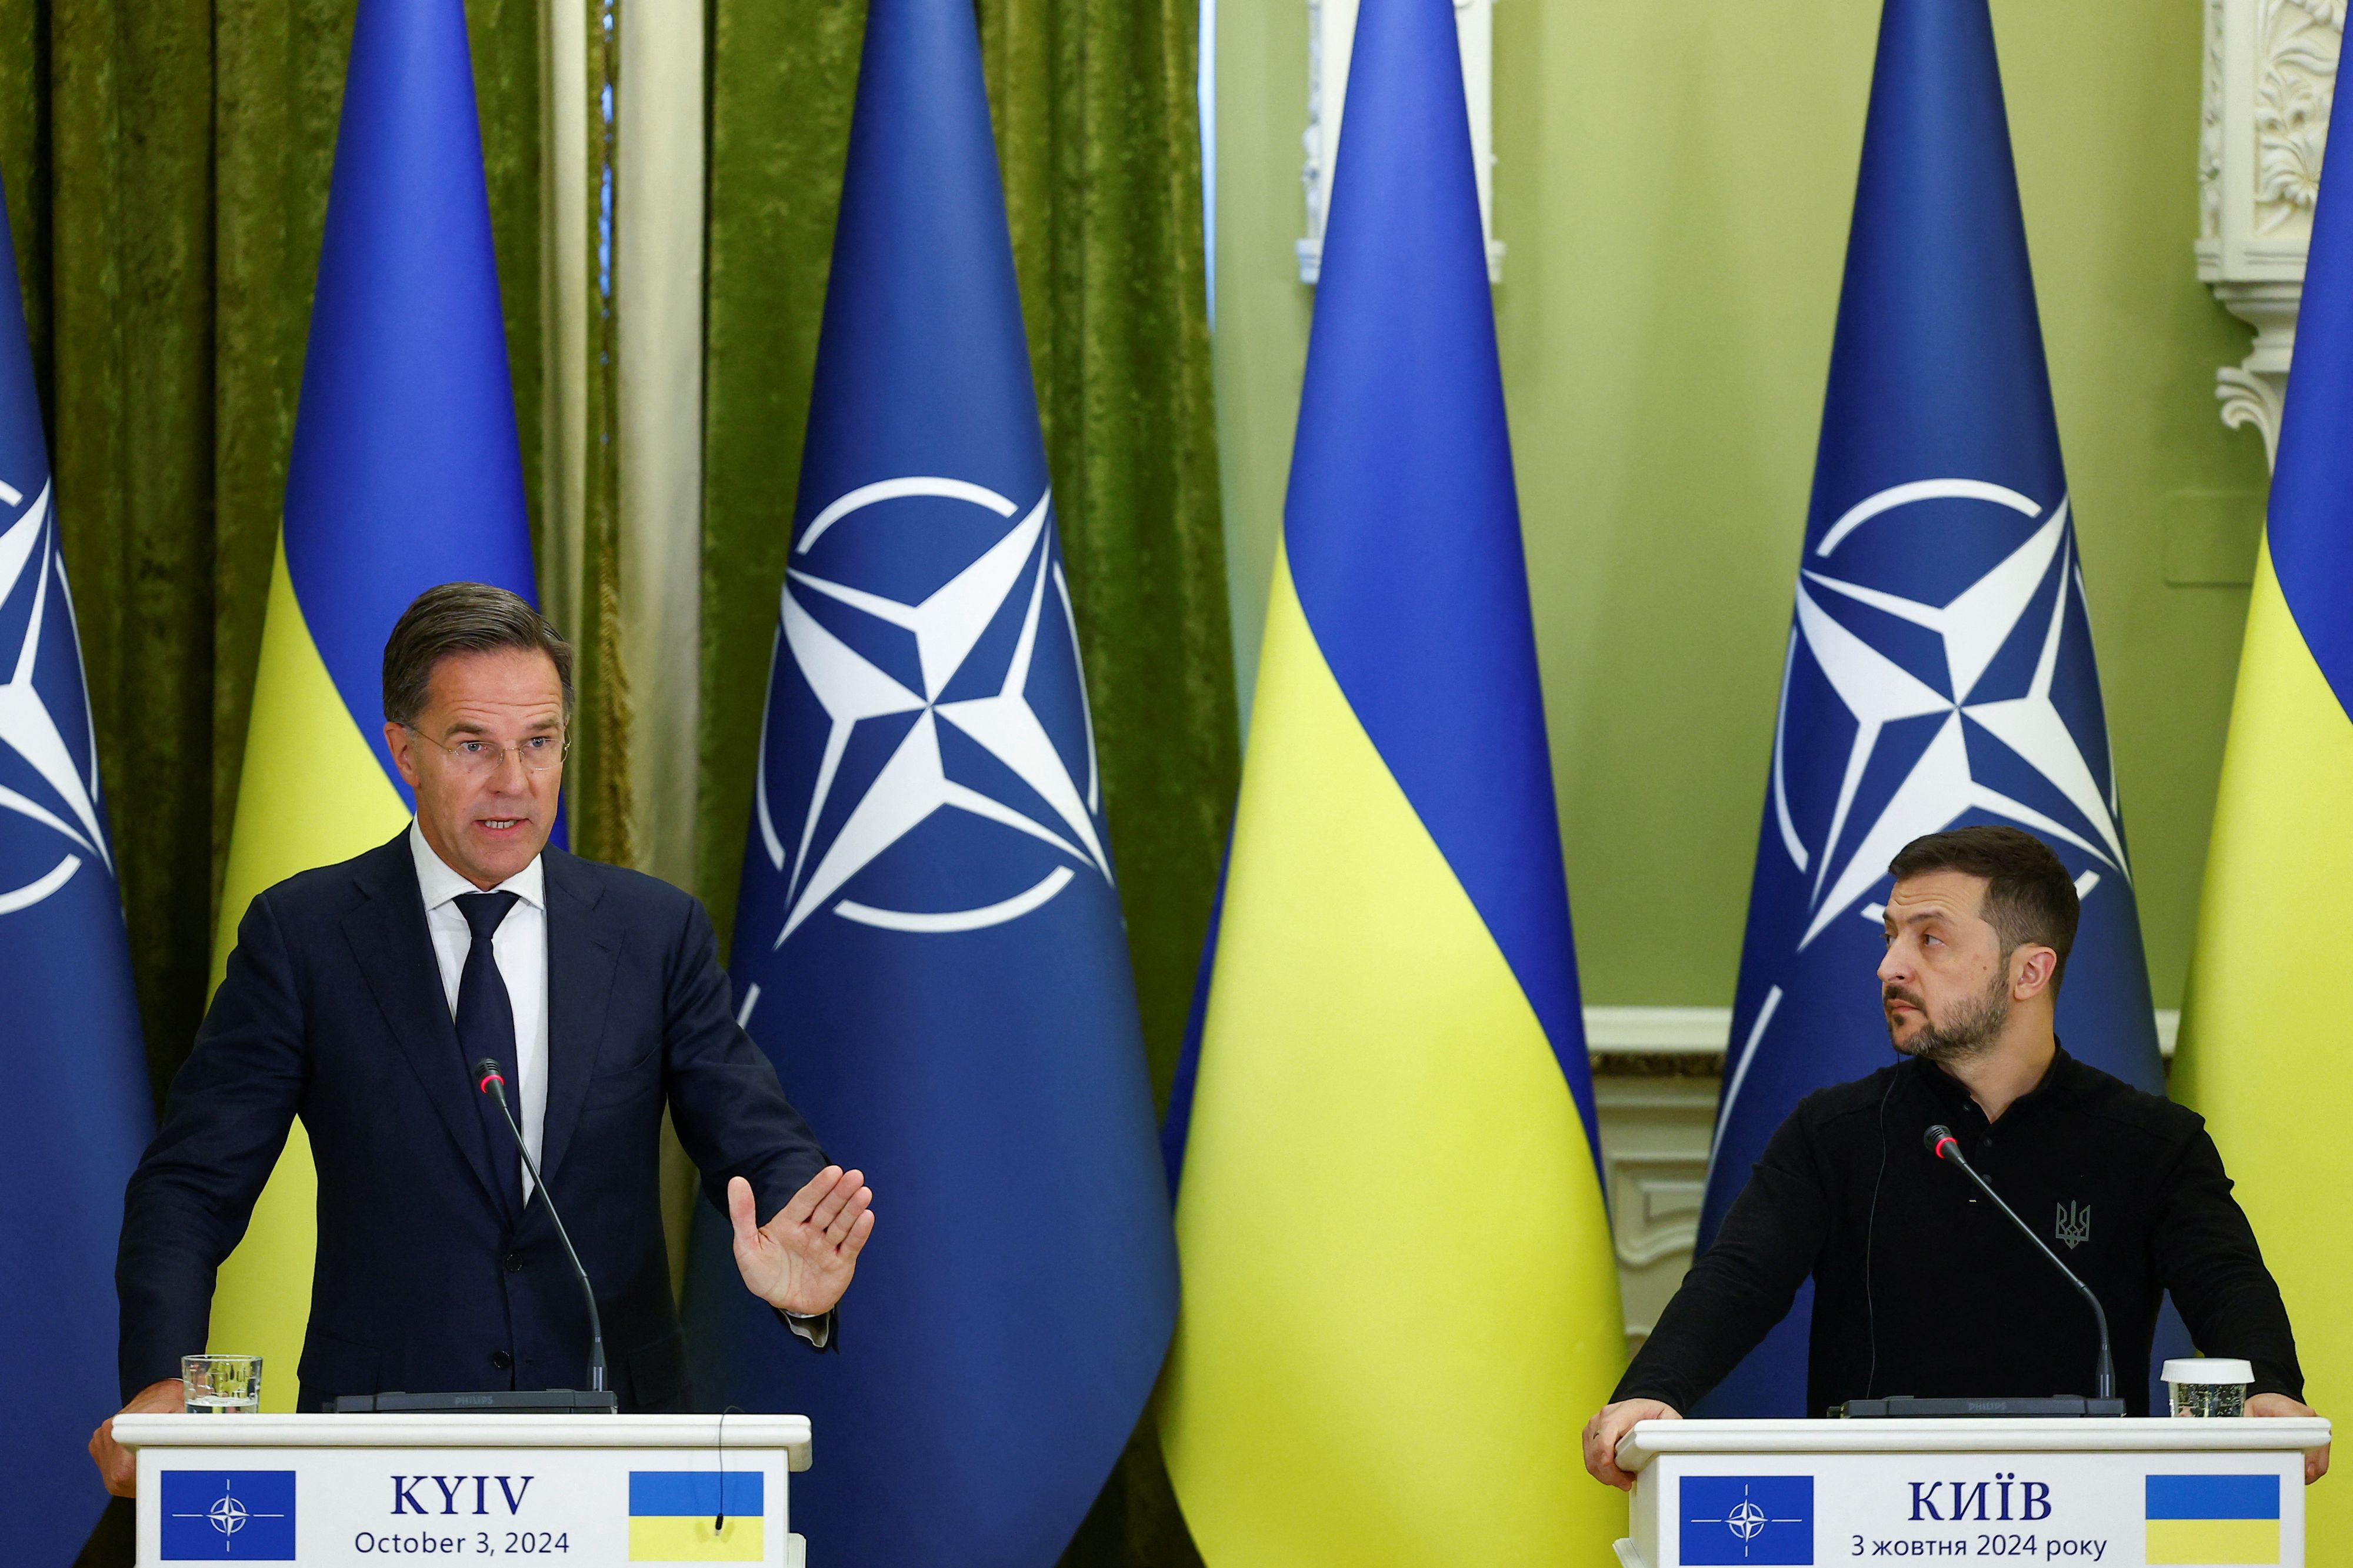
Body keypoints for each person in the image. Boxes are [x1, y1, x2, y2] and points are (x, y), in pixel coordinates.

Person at [89, 583, 873, 1495]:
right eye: (474, 745)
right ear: (405, 752)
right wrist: (158, 1380)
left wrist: (796, 1246)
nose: (515, 781)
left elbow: (752, 1132)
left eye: (540, 742)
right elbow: (191, 1185)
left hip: (617, 1446)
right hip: (377, 1461)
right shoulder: (305, 936)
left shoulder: (652, 932)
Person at [1581, 825, 2329, 1490]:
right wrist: (1656, 1388)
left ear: (2028, 972)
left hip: (2084, 1515)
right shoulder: (1834, 1131)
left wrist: (2269, 1387)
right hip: (1870, 1515)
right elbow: (1736, 1279)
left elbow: (2226, 1284)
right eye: (1889, 936)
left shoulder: (2150, 1142)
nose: (1890, 967)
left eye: (1928, 939)